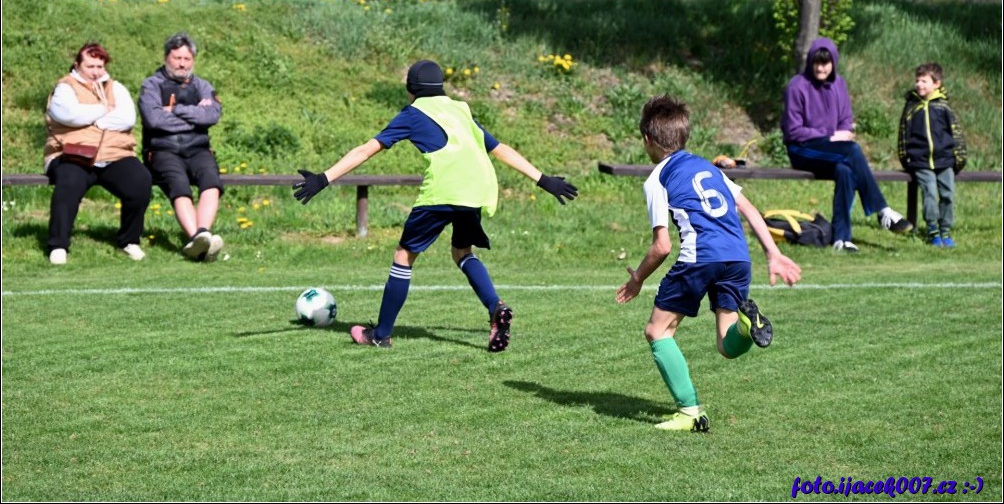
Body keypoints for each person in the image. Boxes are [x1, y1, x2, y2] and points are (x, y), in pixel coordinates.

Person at [292, 59, 579, 352]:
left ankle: (381, 334)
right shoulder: (460, 109)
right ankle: (495, 308)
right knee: (462, 252)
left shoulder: (413, 113)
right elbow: (499, 148)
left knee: (404, 256)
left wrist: (324, 178)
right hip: (476, 190)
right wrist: (543, 179)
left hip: (444, 191)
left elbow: (367, 149)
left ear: (411, 89)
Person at [615, 96, 801, 432]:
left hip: (700, 257)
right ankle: (746, 325)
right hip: (738, 258)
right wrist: (773, 253)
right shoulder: (708, 168)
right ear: (684, 136)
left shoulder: (657, 178)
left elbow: (662, 246)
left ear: (647, 139)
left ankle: (689, 413)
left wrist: (638, 279)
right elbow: (749, 209)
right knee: (726, 344)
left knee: (657, 330)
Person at [781, 37, 913, 252]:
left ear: (833, 62)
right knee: (851, 151)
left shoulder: (839, 84)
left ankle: (842, 239)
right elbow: (793, 131)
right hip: (802, 148)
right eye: (817, 62)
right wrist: (830, 135)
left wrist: (842, 133)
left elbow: (845, 119)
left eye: (825, 62)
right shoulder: (797, 86)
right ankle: (882, 211)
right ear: (810, 62)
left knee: (845, 170)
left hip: (832, 148)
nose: (821, 67)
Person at [44, 42, 152, 264]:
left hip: (114, 154)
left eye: (100, 66)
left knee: (140, 181)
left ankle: (129, 240)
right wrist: (103, 111)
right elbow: (68, 115)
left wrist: (90, 120)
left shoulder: (116, 87)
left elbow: (126, 119)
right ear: (77, 65)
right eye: (90, 66)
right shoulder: (64, 88)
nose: (95, 72)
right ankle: (58, 245)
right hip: (71, 153)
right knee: (69, 184)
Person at [138, 32, 225, 262]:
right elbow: (154, 120)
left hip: (198, 148)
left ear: (193, 60)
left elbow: (212, 115)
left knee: (211, 181)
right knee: (179, 184)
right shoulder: (151, 85)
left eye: (186, 59)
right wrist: (194, 115)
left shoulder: (203, 86)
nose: (182, 63)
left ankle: (202, 234)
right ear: (167, 58)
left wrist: (175, 110)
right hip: (163, 149)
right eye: (177, 58)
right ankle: (197, 238)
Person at [897, 62, 967, 248]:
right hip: (920, 162)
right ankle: (933, 231)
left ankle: (946, 231)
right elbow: (903, 134)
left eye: (924, 81)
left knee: (947, 195)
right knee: (929, 193)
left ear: (936, 84)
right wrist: (906, 159)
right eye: (917, 80)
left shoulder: (944, 107)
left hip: (945, 161)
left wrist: (958, 159)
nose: (919, 84)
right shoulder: (911, 107)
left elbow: (956, 134)